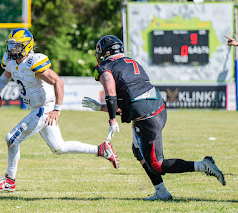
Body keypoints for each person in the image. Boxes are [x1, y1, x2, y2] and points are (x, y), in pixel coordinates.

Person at [82, 35, 226, 200]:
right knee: (138, 151)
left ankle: (203, 165)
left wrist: (112, 119)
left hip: (147, 116)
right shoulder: (131, 63)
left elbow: (111, 92)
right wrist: (100, 107)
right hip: (155, 108)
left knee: (157, 165)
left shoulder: (106, 67)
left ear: (104, 52)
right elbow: (130, 102)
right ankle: (162, 193)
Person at [0, 28, 119, 192]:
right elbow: (5, 77)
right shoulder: (11, 61)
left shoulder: (33, 62)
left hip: (45, 108)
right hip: (36, 108)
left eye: (17, 46)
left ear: (26, 46)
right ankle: (101, 150)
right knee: (58, 147)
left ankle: (9, 181)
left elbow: (58, 82)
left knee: (11, 139)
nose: (12, 49)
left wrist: (57, 109)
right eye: (11, 45)